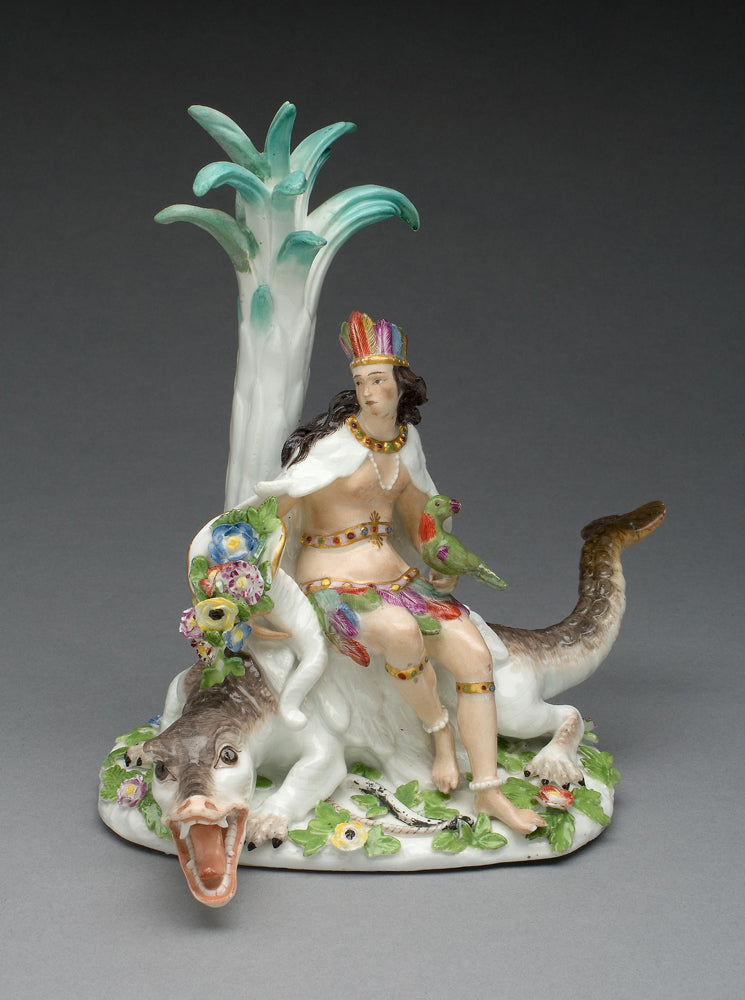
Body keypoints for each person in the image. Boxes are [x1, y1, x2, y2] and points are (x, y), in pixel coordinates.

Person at [254, 310, 544, 834]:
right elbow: (271, 517)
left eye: (378, 380)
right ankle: (438, 732)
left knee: (475, 655)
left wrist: (440, 562)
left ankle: (488, 791)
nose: (368, 392)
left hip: (398, 580)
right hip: (334, 584)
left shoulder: (406, 443)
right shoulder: (330, 447)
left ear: (401, 385)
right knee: (401, 632)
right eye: (360, 382)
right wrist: (258, 594)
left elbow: (420, 521)